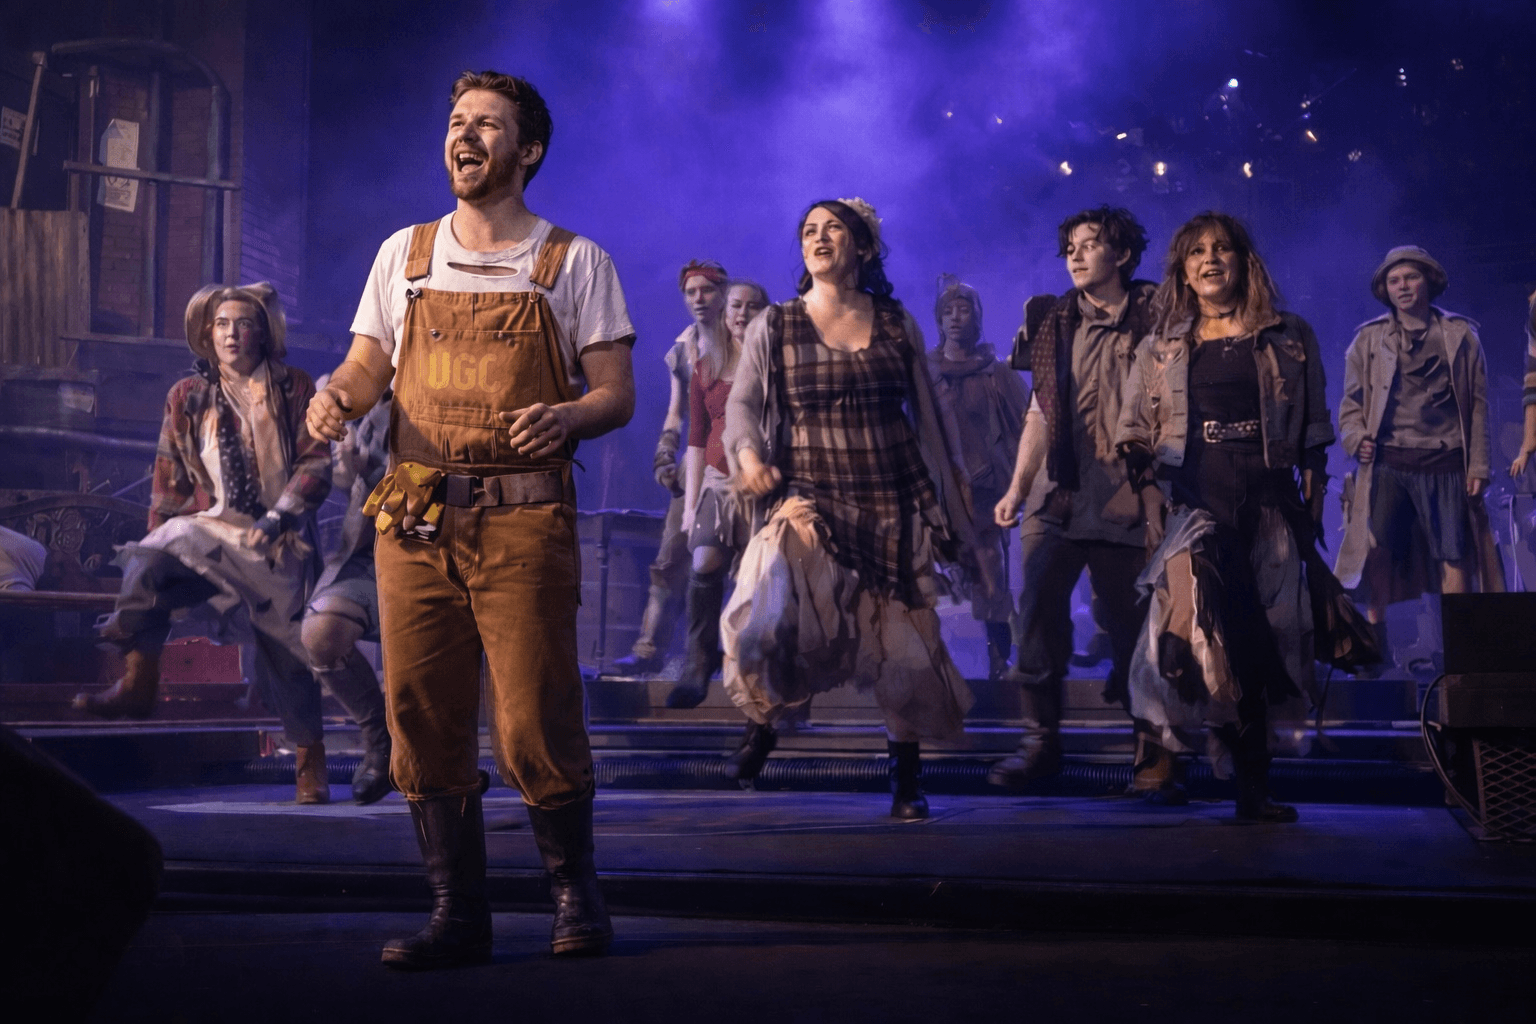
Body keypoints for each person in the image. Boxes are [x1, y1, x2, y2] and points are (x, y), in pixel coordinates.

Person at [306, 70, 636, 967]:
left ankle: (574, 895)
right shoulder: (405, 254)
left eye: (488, 124)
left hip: (524, 521)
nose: (465, 135)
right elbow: (367, 365)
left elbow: (616, 394)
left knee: (533, 718)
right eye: (457, 121)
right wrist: (338, 397)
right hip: (414, 521)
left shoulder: (573, 261)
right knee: (420, 714)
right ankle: (458, 913)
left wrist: (569, 416)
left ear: (528, 151)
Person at [720, 197, 976, 820]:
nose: (819, 237)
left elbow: (929, 416)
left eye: (833, 228)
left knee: (900, 648)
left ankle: (906, 780)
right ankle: (764, 722)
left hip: (891, 493)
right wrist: (748, 459)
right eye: (809, 230)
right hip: (809, 492)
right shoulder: (777, 324)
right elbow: (742, 405)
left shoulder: (895, 321)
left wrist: (953, 500)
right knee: (772, 610)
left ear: (863, 246)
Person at [74, 283, 338, 805]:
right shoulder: (187, 396)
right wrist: (156, 545)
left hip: (277, 538)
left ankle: (310, 761)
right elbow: (169, 479)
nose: (232, 334)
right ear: (208, 334)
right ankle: (138, 682)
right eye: (222, 325)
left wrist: (280, 516)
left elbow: (315, 463)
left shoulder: (292, 387)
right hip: (212, 529)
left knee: (287, 652)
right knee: (150, 558)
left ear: (262, 333)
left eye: (244, 324)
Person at [1115, 211, 1335, 824]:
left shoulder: (1290, 335)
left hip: (1268, 503)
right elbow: (1134, 434)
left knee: (1266, 641)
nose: (1210, 259)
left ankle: (1252, 789)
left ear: (1243, 260)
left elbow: (1315, 430)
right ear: (1183, 272)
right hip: (1197, 505)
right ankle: (1181, 768)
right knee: (1205, 640)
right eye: (1196, 252)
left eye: (1221, 249)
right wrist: (1153, 507)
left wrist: (1312, 505)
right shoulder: (1162, 347)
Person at [989, 207, 1172, 798]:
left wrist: (1151, 489)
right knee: (1036, 617)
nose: (1075, 255)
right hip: (1059, 493)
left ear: (1122, 254)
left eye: (1090, 244)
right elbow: (1040, 410)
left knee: (1134, 628)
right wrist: (1018, 487)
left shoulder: (1157, 313)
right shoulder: (1055, 320)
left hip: (1126, 494)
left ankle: (1152, 753)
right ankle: (1040, 745)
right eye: (1070, 245)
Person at [1335, 246, 1503, 658]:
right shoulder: (1368, 339)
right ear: (1385, 290)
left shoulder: (1460, 336)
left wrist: (1478, 464)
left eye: (1411, 277)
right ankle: (1375, 646)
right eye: (1394, 281)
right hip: (1389, 461)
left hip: (1446, 460)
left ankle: (1459, 648)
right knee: (1376, 551)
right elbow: (1350, 403)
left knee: (1454, 553)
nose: (1403, 286)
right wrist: (1356, 438)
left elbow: (1479, 406)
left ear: (1429, 281)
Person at [612, 260, 730, 675]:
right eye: (691, 292)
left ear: (723, 293)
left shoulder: (744, 339)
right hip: (697, 463)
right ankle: (649, 649)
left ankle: (739, 655)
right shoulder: (683, 350)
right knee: (671, 557)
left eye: (707, 290)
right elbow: (676, 410)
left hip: (739, 460)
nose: (699, 299)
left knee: (739, 562)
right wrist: (665, 451)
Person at [665, 279, 770, 709]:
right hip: (718, 481)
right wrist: (691, 505)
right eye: (735, 306)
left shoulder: (775, 364)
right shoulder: (706, 367)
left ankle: (752, 669)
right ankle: (698, 659)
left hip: (763, 484)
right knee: (704, 559)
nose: (742, 313)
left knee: (757, 579)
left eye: (752, 306)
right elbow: (696, 438)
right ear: (725, 314)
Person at [927, 275, 1030, 681]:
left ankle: (998, 661)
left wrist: (1020, 482)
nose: (955, 317)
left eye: (963, 309)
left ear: (977, 317)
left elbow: (1028, 424)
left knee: (989, 573)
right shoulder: (925, 373)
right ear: (938, 319)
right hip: (936, 491)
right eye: (947, 310)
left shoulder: (995, 372)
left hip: (985, 488)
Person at [300, 390, 393, 805]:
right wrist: (347, 461)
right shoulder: (371, 391)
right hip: (370, 554)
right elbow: (348, 478)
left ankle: (440, 758)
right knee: (322, 631)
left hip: (443, 553)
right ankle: (380, 743)